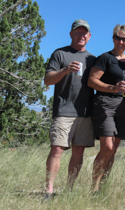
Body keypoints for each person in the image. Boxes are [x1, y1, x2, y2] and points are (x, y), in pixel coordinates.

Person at [88, 24, 125, 193]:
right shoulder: (105, 58)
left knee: (114, 149)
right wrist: (113, 88)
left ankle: (103, 187)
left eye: (124, 39)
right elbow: (92, 81)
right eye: (118, 38)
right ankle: (94, 188)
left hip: (123, 106)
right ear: (113, 39)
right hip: (105, 104)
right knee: (107, 148)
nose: (121, 41)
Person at [44, 19, 95, 198]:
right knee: (57, 150)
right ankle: (49, 190)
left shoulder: (92, 59)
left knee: (78, 151)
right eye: (77, 32)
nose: (81, 35)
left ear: (89, 36)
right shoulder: (60, 54)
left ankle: (69, 190)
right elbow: (48, 80)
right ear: (71, 34)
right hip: (64, 110)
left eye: (84, 33)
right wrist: (65, 70)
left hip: (85, 112)